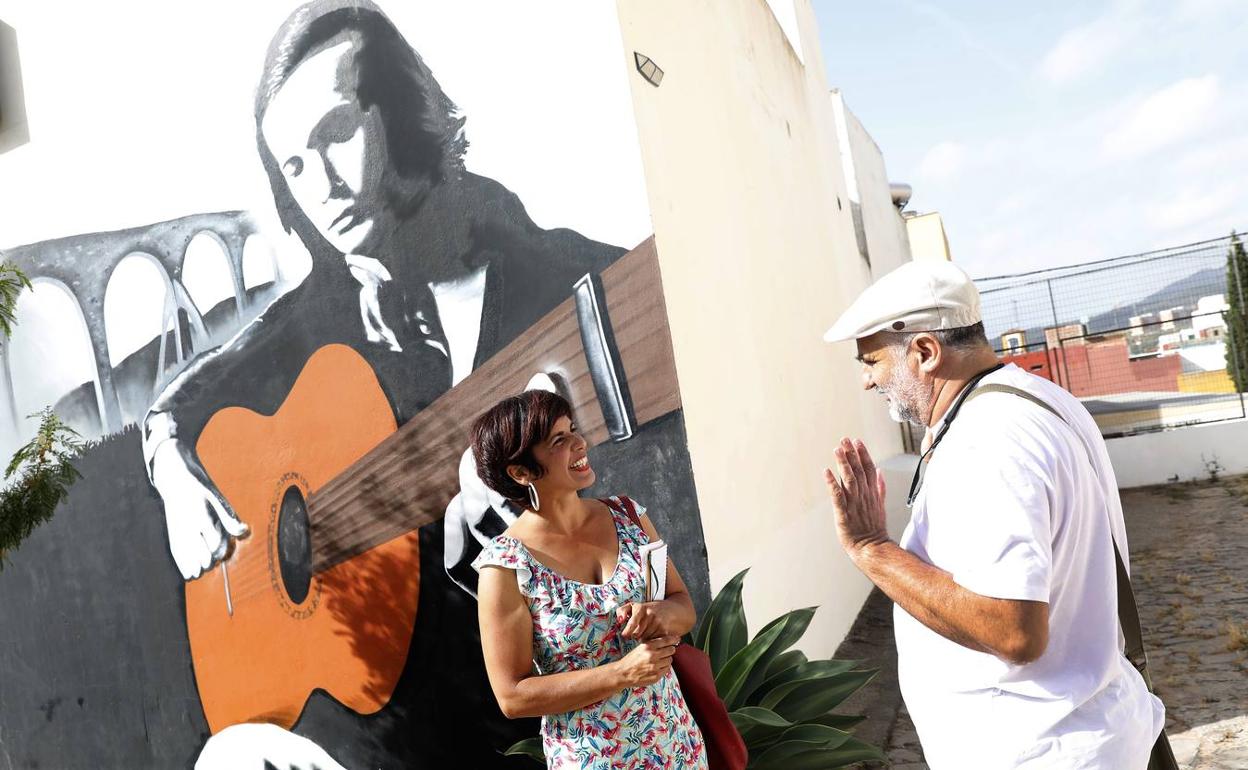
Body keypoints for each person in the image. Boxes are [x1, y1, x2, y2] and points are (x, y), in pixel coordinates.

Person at [140, 1, 623, 766]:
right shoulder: (330, 302)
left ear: (405, 113)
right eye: (294, 166)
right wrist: (168, 464)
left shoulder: (559, 279)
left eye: (334, 134)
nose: (322, 186)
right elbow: (184, 397)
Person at [820, 261, 1165, 769]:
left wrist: (873, 550)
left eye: (871, 361)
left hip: (1040, 750)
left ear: (924, 352)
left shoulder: (988, 440)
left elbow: (1014, 631)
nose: (868, 381)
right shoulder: (1038, 399)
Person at [471, 389, 708, 769]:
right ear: (520, 472)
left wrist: (659, 615)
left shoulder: (629, 515)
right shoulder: (505, 568)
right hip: (596, 759)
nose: (581, 443)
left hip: (677, 744)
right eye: (559, 440)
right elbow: (513, 696)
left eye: (573, 430)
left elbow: (684, 606)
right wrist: (622, 673)